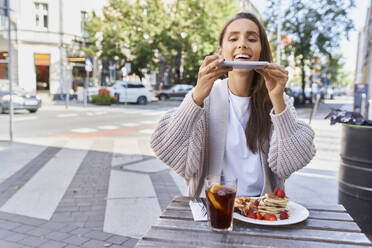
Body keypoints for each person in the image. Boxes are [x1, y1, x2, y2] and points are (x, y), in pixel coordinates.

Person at [150, 12, 316, 197]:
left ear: (261, 50)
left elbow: (289, 165)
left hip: (262, 214)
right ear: (220, 51)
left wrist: (278, 98)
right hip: (212, 211)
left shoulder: (276, 101)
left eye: (252, 39)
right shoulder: (204, 98)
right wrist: (196, 97)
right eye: (233, 38)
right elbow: (166, 148)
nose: (242, 44)